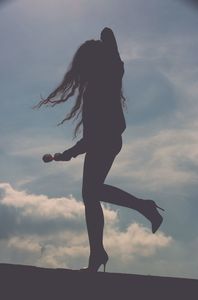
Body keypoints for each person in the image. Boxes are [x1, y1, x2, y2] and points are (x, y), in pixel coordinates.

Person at [36, 27, 164, 272]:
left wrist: (70, 153)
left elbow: (112, 47)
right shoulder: (99, 86)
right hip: (104, 142)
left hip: (106, 141)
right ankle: (98, 253)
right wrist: (68, 153)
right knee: (90, 195)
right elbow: (91, 137)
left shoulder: (108, 79)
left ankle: (140, 211)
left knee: (91, 192)